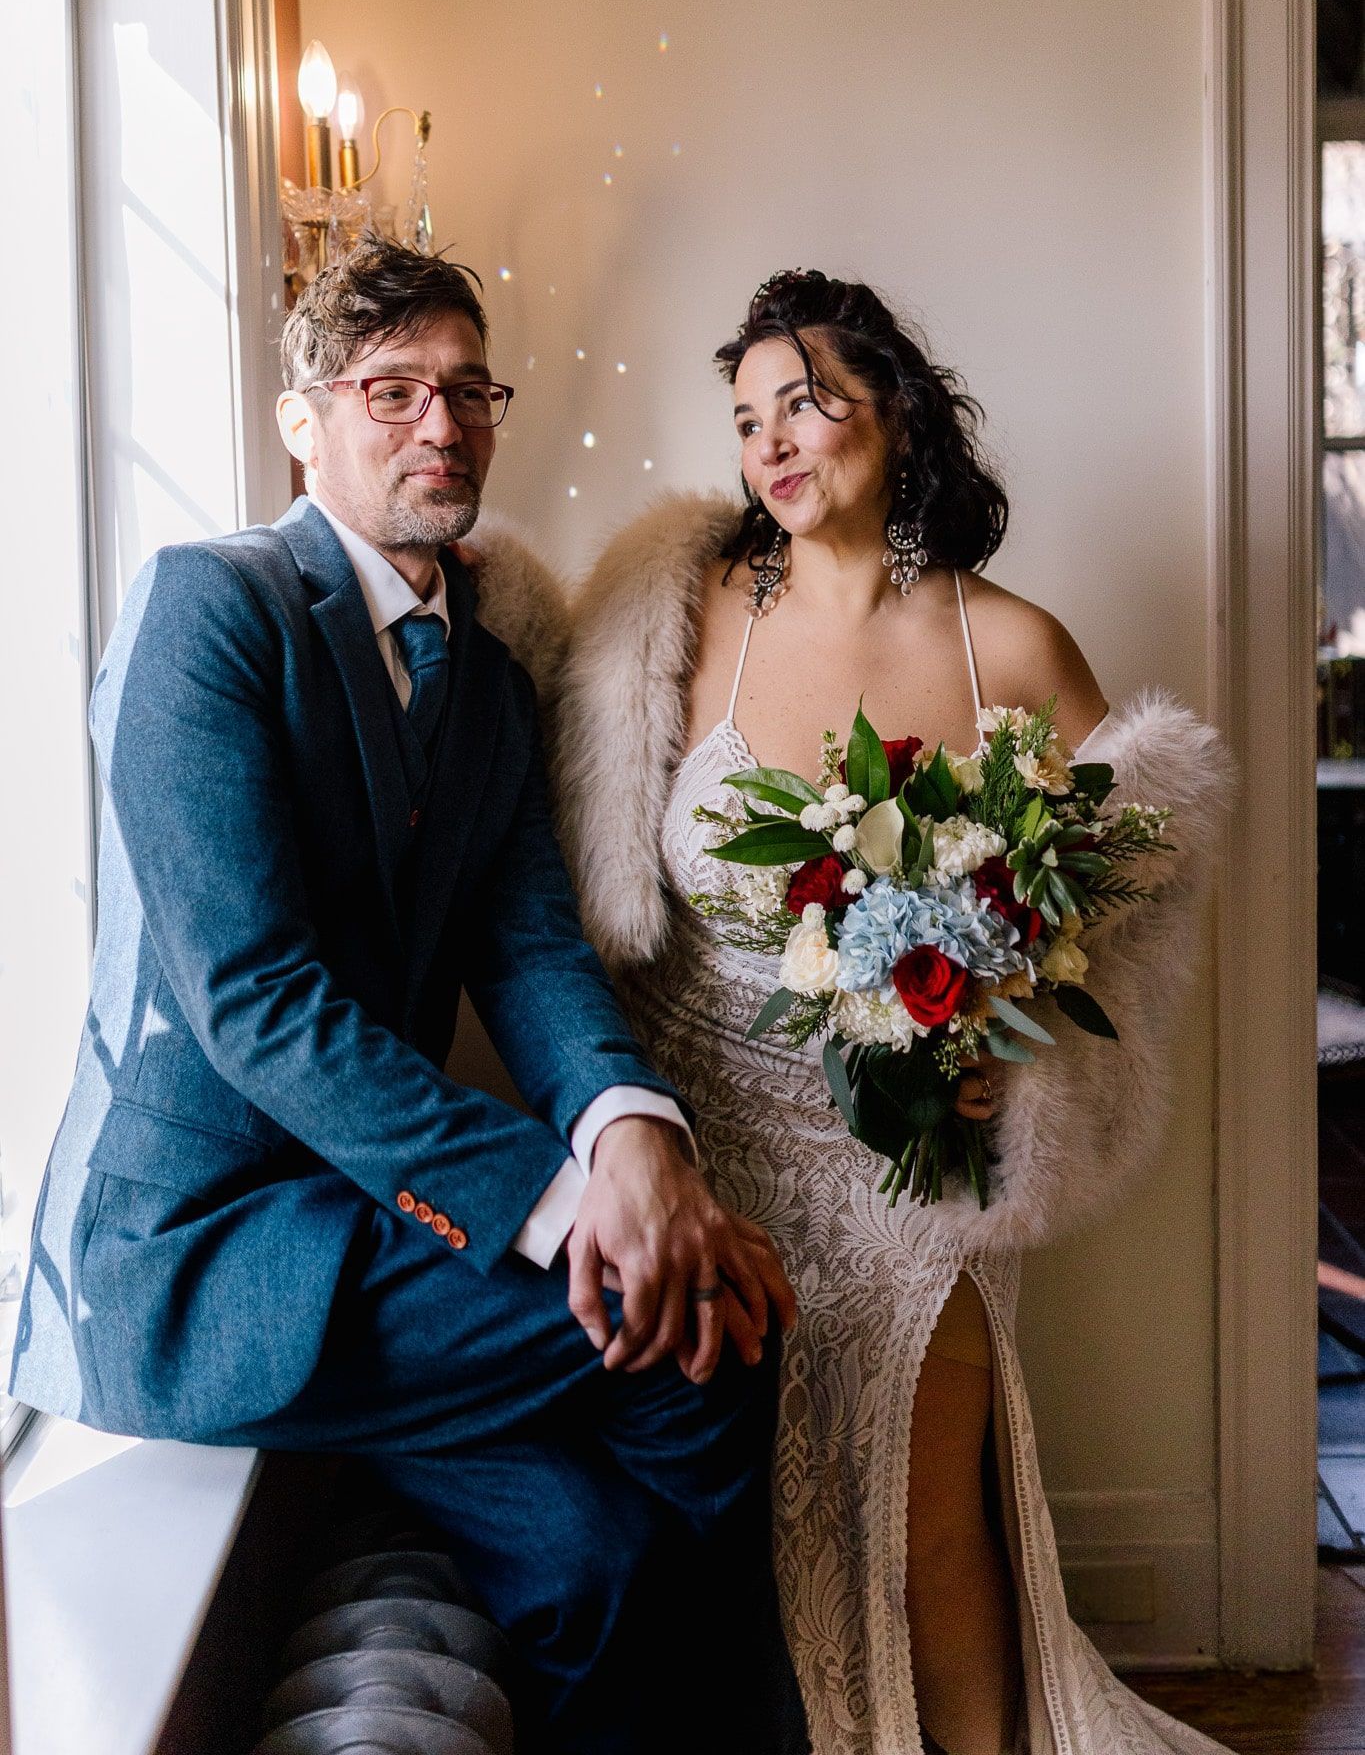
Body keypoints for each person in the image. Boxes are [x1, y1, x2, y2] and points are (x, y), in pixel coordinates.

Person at [9, 236, 807, 1755]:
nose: (440, 426)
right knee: (712, 1316)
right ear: (302, 419)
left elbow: (528, 952)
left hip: (377, 1249)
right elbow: (254, 1000)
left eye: (467, 391)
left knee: (600, 1565)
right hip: (203, 1259)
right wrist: (575, 1211)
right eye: (391, 391)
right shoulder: (210, 611)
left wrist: (638, 1134)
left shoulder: (491, 682)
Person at [555, 269, 1231, 1755]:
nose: (772, 447)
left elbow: (1114, 914)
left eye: (804, 403)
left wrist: (1007, 1052)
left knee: (930, 1529)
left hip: (909, 1169)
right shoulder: (679, 611)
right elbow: (587, 875)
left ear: (894, 415)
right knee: (739, 1532)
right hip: (707, 1150)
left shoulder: (1013, 648)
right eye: (745, 419)